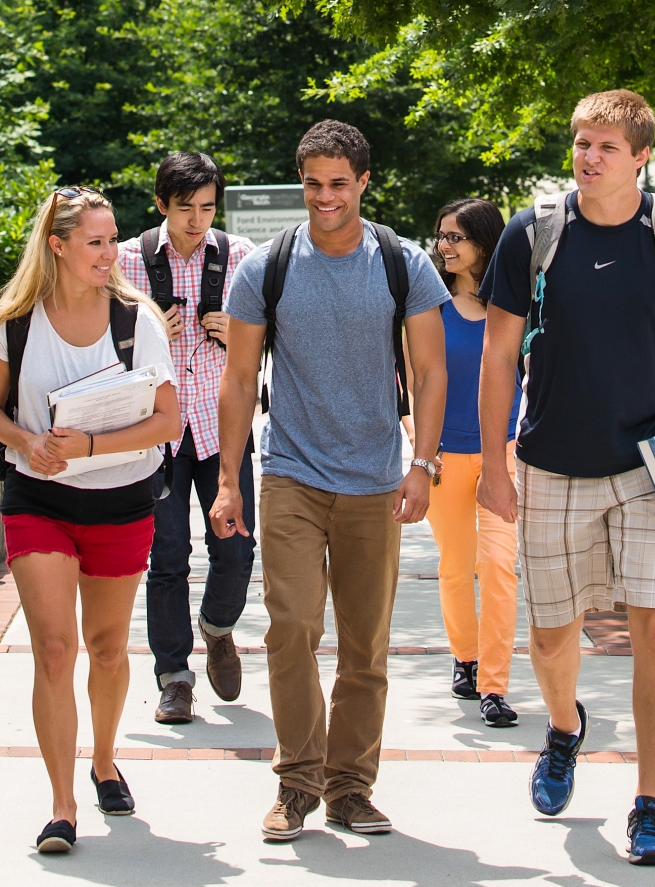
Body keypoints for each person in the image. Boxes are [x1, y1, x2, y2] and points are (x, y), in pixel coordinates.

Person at [477, 90, 655, 866]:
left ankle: (649, 804)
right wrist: (495, 465)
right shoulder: (535, 234)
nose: (588, 158)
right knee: (554, 638)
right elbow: (497, 356)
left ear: (642, 157)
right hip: (552, 462)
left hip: (650, 464)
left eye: (606, 148)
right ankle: (564, 728)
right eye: (582, 143)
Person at [209, 119, 449, 841]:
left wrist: (424, 463)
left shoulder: (402, 263)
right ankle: (296, 783)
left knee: (364, 644)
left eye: (338, 183)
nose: (324, 197)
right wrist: (228, 480)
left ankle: (350, 787)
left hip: (375, 478)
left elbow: (432, 370)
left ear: (363, 183)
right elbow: (239, 377)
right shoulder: (267, 268)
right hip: (290, 473)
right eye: (312, 183)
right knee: (291, 627)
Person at [0, 186, 182, 854]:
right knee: (55, 647)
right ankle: (62, 805)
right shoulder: (14, 322)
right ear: (57, 246)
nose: (109, 252)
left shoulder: (137, 319)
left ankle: (103, 759)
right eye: (94, 241)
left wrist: (90, 446)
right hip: (40, 499)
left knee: (109, 646)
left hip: (121, 499)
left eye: (112, 238)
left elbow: (167, 420)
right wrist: (26, 441)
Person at [118, 153, 256, 725]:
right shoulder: (127, 259)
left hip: (222, 426)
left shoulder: (240, 256)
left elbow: (267, 340)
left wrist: (241, 335)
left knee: (237, 547)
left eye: (207, 207)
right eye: (185, 209)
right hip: (159, 432)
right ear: (161, 205)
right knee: (167, 557)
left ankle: (218, 628)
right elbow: (99, 343)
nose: (197, 220)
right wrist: (142, 331)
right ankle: (173, 677)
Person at [420, 198, 522, 727]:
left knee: (500, 566)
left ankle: (495, 685)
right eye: (441, 236)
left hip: (503, 453)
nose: (445, 246)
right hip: (446, 455)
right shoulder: (430, 307)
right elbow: (416, 382)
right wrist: (420, 450)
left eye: (456, 237)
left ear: (486, 242)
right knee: (457, 566)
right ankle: (466, 656)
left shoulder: (516, 308)